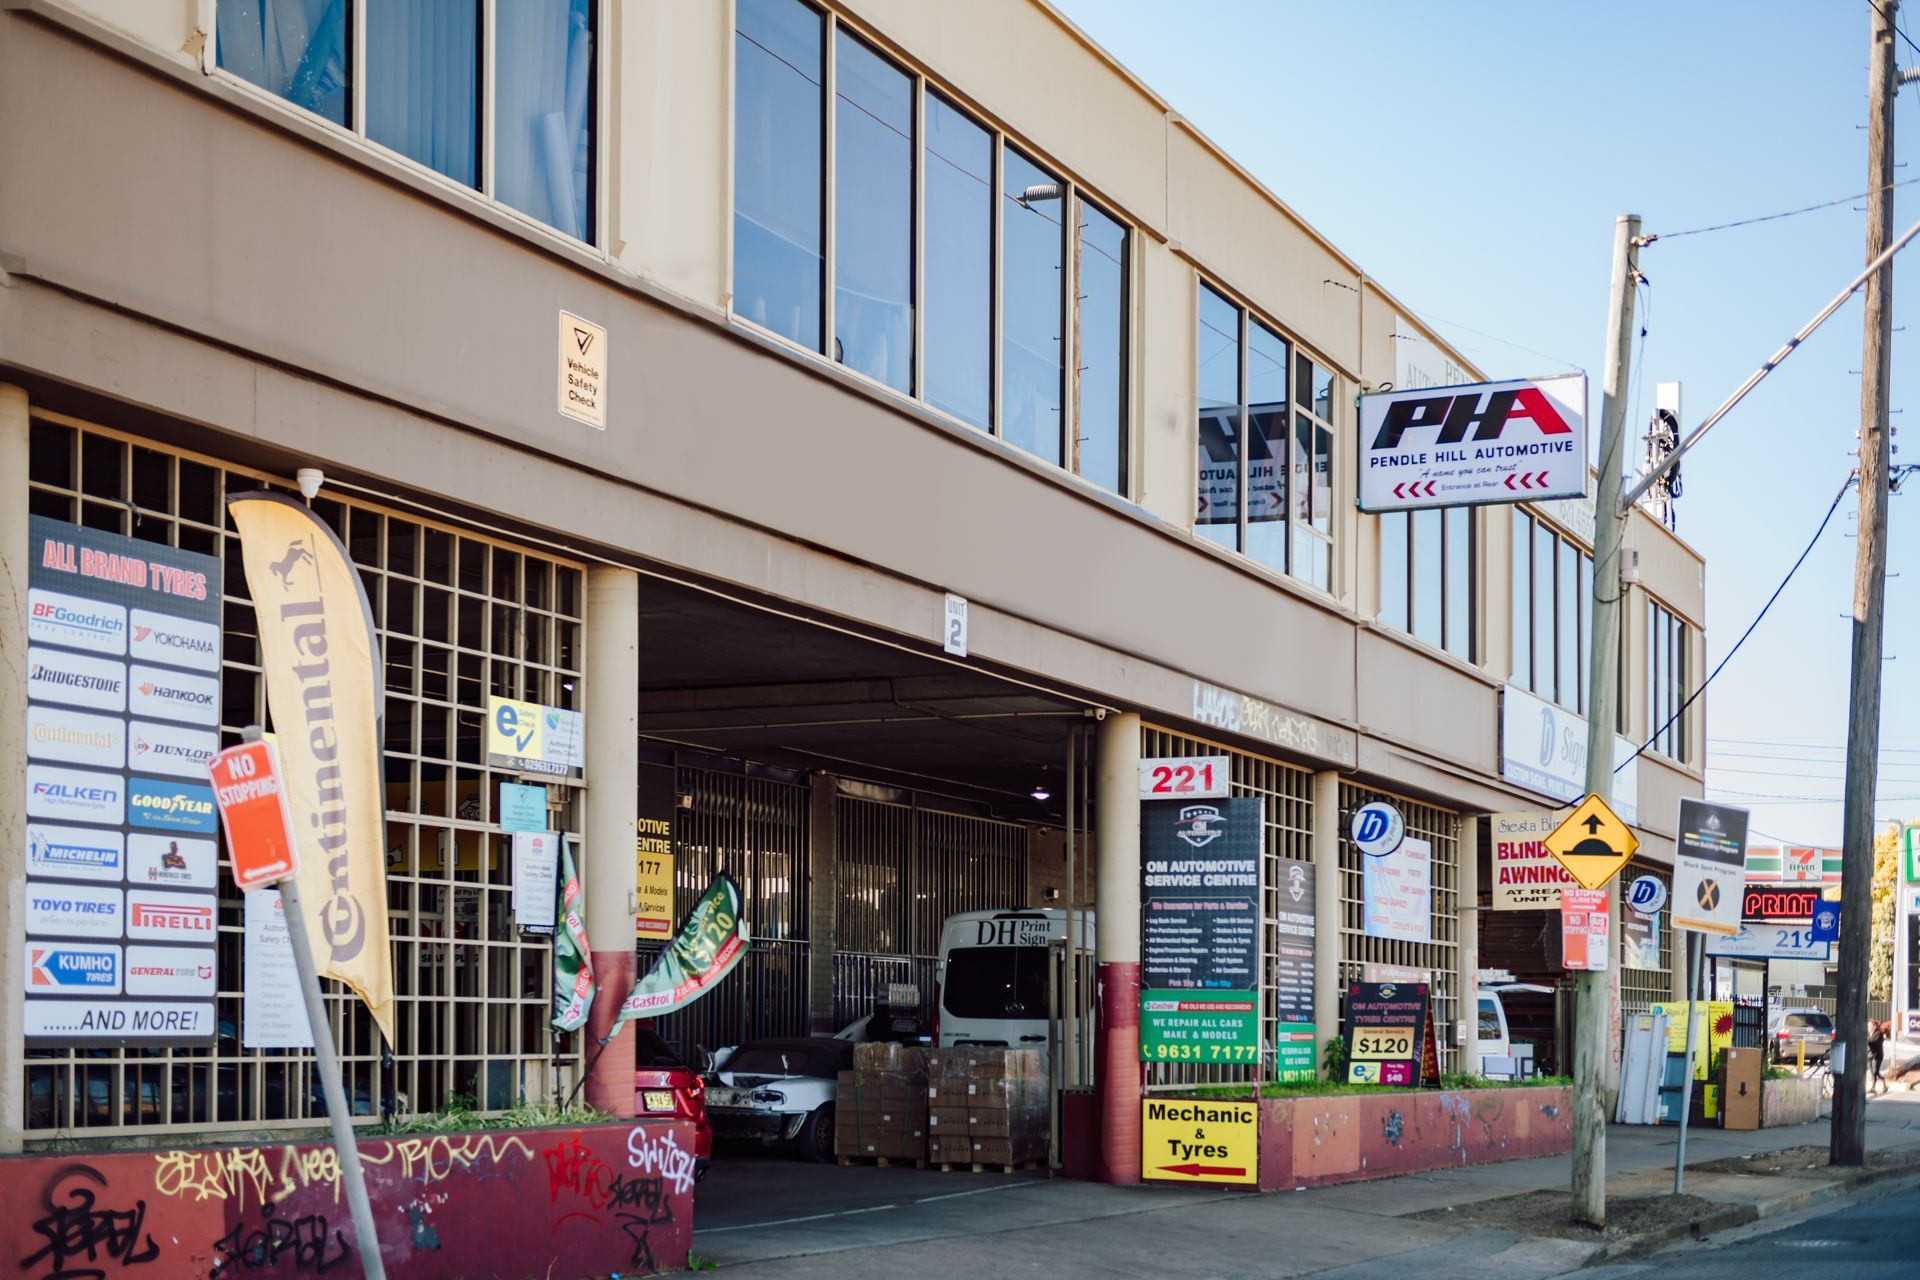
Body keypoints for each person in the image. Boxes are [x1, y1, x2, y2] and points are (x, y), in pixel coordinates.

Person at [1867, 1018, 1888, 1095]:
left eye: (1870, 1025)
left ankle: (1873, 1088)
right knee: (1873, 1072)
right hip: (1870, 1055)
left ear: (1874, 1026)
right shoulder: (1869, 1034)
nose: (1869, 1027)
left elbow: (1875, 1043)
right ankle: (1883, 1082)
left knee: (1875, 1071)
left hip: (1877, 1055)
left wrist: (1867, 1041)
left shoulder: (1878, 1034)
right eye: (1868, 1026)